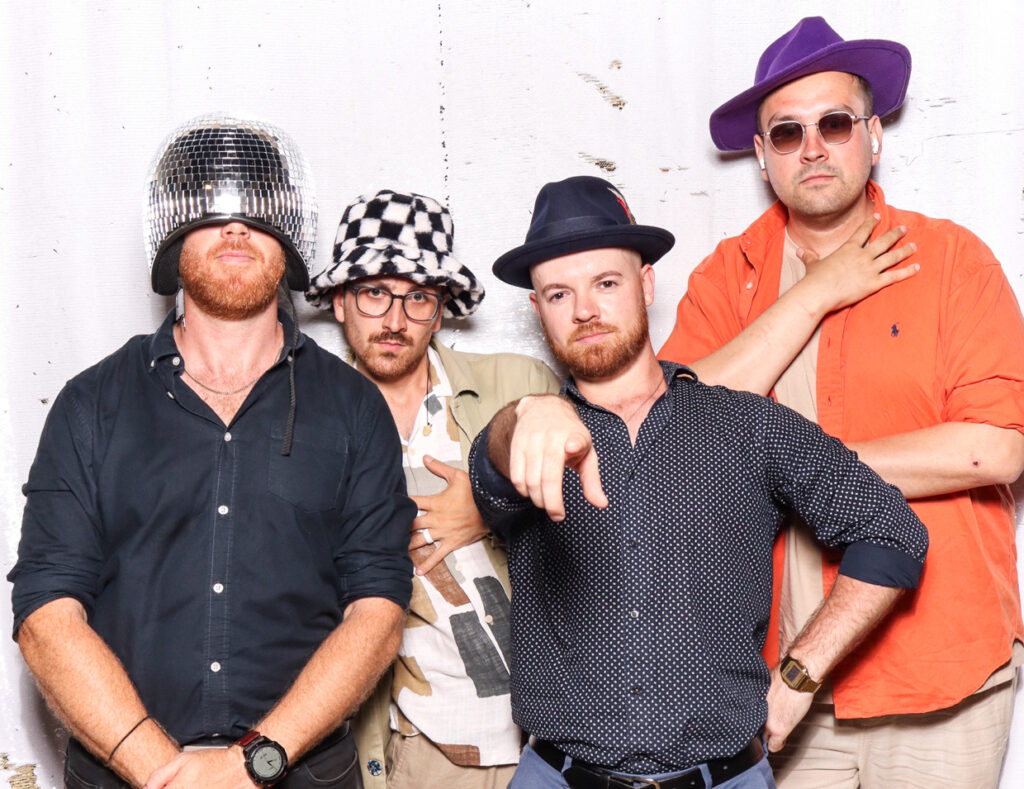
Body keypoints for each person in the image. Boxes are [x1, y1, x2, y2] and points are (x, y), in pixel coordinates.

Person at [467, 175, 929, 789]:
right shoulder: (527, 440)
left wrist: (800, 675)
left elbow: (894, 532)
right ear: (537, 309)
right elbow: (491, 467)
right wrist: (526, 413)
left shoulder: (747, 427)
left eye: (606, 283)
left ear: (646, 284)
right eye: (558, 294)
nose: (585, 310)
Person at [658, 17, 1024, 788]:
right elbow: (666, 441)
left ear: (874, 135)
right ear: (760, 157)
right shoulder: (730, 279)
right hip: (779, 690)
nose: (813, 147)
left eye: (834, 123)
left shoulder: (952, 260)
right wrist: (820, 289)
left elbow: (995, 446)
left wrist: (798, 470)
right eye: (786, 133)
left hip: (940, 682)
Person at [8, 116, 415, 789]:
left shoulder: (352, 407)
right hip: (125, 773)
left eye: (259, 213)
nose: (235, 229)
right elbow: (46, 610)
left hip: (299, 771)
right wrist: (161, 769)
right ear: (172, 234)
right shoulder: (91, 403)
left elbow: (377, 606)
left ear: (289, 238)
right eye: (210, 211)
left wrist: (255, 761)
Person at [306, 189, 560, 789]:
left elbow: (612, 515)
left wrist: (491, 504)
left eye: (418, 297)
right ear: (341, 301)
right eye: (374, 293)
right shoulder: (306, 422)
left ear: (441, 308)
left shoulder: (516, 384)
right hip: (424, 750)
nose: (394, 320)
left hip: (552, 740)